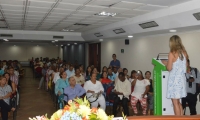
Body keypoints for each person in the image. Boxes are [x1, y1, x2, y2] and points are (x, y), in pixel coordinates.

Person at [162, 35, 188, 115]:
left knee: (175, 103)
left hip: (174, 80)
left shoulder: (172, 53)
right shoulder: (184, 53)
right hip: (181, 79)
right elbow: (185, 66)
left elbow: (169, 68)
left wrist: (166, 64)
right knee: (178, 102)